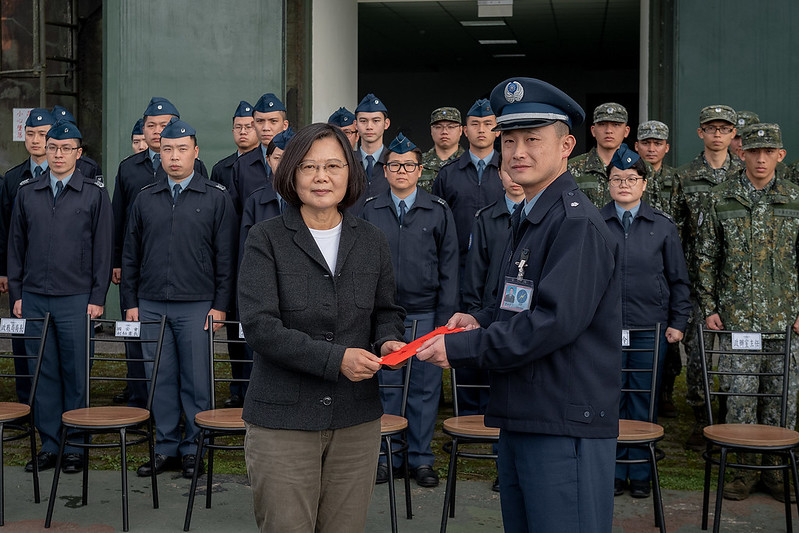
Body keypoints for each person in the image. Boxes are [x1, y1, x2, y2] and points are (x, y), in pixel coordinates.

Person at [417, 77, 622, 533]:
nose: (518, 152)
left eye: (533, 139)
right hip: (526, 413)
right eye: (509, 140)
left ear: (567, 145)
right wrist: (477, 320)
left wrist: (462, 351)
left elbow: (551, 322)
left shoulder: (575, 224)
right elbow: (517, 306)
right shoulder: (530, 217)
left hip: (563, 420)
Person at [237, 122, 406, 532]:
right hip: (284, 420)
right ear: (291, 174)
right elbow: (260, 328)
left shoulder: (371, 240)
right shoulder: (266, 238)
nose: (322, 176)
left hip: (356, 417)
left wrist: (388, 342)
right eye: (309, 167)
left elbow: (386, 310)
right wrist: (336, 359)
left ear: (350, 173)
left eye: (334, 165)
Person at [121, 119, 237, 479]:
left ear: (195, 152)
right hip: (151, 303)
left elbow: (226, 258)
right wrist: (130, 302)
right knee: (160, 378)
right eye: (168, 149)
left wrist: (220, 305)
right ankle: (167, 447)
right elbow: (130, 255)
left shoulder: (216, 197)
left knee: (197, 381)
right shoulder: (145, 198)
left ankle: (194, 449)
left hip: (197, 305)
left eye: (182, 148)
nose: (174, 156)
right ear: (159, 151)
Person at [696, 123, 799, 503]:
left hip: (786, 322)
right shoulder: (722, 198)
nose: (760, 158)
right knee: (739, 401)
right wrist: (709, 306)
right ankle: (740, 473)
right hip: (738, 322)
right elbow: (705, 257)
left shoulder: (795, 198)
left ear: (779, 155)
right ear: (742, 154)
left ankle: (775, 475)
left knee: (781, 402)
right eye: (753, 151)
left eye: (768, 151)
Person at [8, 120, 113, 475]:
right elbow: (15, 247)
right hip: (35, 297)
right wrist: (18, 294)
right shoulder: (28, 192)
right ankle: (50, 444)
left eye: (66, 148)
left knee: (75, 373)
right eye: (53, 147)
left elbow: (103, 250)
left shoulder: (94, 193)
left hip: (76, 298)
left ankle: (76, 445)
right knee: (44, 373)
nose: (58, 154)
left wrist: (98, 296)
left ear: (79, 154)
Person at [360, 132, 458, 488]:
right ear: (384, 170)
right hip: (385, 317)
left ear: (420, 171)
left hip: (427, 314)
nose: (402, 171)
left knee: (424, 388)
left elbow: (450, 267)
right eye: (394, 165)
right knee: (387, 386)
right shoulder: (370, 209)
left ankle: (420, 459)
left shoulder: (438, 210)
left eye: (409, 165)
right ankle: (389, 456)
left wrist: (447, 319)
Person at [600, 144, 691, 499]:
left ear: (644, 184)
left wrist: (677, 322)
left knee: (642, 399)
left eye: (632, 179)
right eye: (617, 178)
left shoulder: (662, 226)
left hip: (648, 327)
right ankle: (610, 469)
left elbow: (678, 279)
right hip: (604, 329)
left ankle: (637, 470)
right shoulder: (594, 222)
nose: (624, 184)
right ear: (608, 183)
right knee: (608, 397)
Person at [111, 96, 208, 408]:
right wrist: (118, 264)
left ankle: (192, 432)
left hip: (189, 281)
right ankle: (142, 402)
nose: (157, 131)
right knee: (150, 358)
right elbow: (120, 222)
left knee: (190, 367)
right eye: (151, 126)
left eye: (164, 127)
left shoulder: (200, 174)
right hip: (145, 272)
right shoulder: (129, 169)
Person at [670, 104, 742, 451]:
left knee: (732, 355)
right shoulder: (684, 177)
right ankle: (703, 420)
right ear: (700, 133)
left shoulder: (745, 174)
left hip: (738, 282)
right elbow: (676, 231)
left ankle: (731, 418)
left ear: (733, 134)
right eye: (711, 128)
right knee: (698, 354)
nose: (717, 134)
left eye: (724, 129)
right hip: (696, 281)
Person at [432, 98, 504, 415]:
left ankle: (494, 409)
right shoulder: (449, 174)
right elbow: (434, 222)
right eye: (475, 124)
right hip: (460, 269)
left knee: (495, 332)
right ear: (465, 130)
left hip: (499, 269)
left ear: (497, 130)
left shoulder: (509, 168)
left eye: (488, 124)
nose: (481, 130)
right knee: (462, 335)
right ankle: (467, 409)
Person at [0, 108, 57, 404]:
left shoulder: (70, 173)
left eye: (43, 134)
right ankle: (26, 399)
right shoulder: (12, 179)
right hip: (21, 272)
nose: (36, 140)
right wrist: (5, 271)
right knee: (22, 336)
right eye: (31, 134)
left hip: (58, 273)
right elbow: (5, 229)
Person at [634, 120, 681, 417]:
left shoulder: (678, 180)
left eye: (657, 143)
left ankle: (663, 393)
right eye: (646, 143)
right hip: (635, 265)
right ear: (637, 145)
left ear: (666, 147)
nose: (652, 148)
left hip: (667, 262)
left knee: (667, 347)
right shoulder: (625, 175)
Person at [462, 155, 525, 316]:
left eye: (518, 170)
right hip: (491, 311)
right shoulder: (485, 218)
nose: (514, 178)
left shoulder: (544, 216)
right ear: (499, 173)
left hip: (529, 311)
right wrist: (475, 313)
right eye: (508, 171)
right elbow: (475, 272)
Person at [230, 93, 289, 213]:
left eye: (273, 121)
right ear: (254, 124)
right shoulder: (242, 165)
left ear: (285, 125)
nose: (266, 127)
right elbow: (234, 213)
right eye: (260, 121)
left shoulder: (298, 160)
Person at [569, 102, 631, 208]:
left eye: (616, 125)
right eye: (602, 124)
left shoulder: (640, 168)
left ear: (626, 131)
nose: (609, 131)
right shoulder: (572, 167)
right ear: (593, 130)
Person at [350, 93, 391, 215]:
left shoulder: (396, 162)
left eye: (376, 121)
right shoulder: (347, 162)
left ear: (386, 123)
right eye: (363, 121)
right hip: (351, 229)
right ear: (356, 124)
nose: (369, 126)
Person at [210, 101, 259, 190]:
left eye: (248, 127)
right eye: (238, 127)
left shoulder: (268, 164)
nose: (243, 132)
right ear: (233, 131)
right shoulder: (220, 169)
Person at [419, 106, 464, 193]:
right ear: (431, 130)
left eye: (450, 127)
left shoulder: (468, 162)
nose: (444, 132)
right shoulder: (418, 162)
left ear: (460, 130)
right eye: (438, 127)